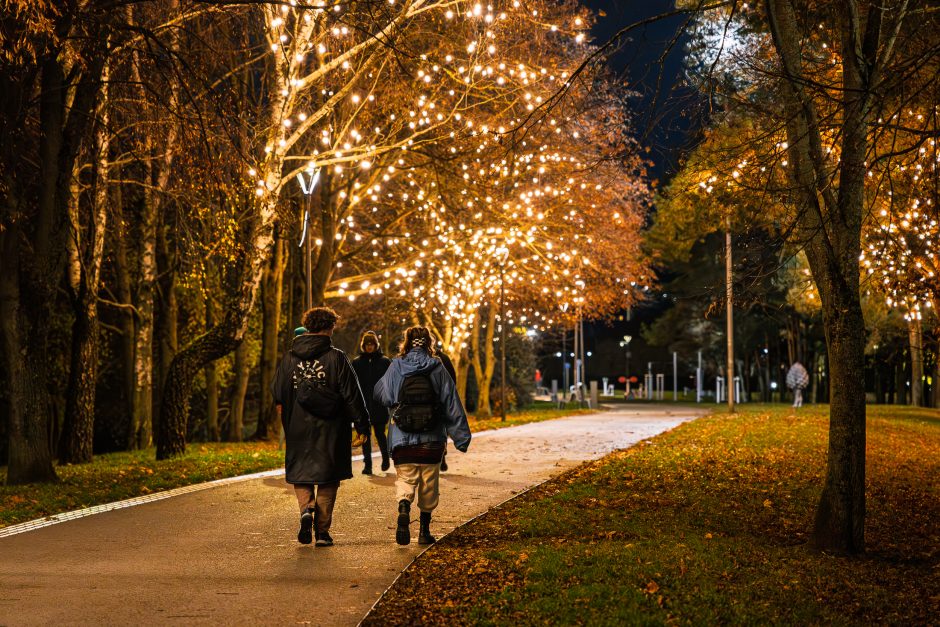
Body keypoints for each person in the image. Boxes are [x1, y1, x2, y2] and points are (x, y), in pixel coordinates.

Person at [271, 306, 369, 546]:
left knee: (301, 474)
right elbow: (351, 394)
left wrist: (287, 420)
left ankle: (306, 509)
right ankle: (322, 533)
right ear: (329, 327)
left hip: (298, 427)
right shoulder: (336, 357)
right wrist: (362, 425)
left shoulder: (289, 358)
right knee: (328, 477)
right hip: (331, 428)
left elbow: (278, 393)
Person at [375, 326, 471, 546]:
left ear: (406, 342)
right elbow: (451, 402)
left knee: (406, 479)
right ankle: (424, 531)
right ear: (429, 342)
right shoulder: (437, 366)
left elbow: (382, 394)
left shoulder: (396, 365)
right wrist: (461, 438)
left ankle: (403, 506)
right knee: (429, 484)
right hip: (432, 438)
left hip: (402, 436)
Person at [351, 331, 392, 474]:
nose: (369, 347)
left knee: (380, 434)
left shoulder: (385, 361)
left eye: (372, 344)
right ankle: (367, 464)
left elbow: (391, 382)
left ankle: (385, 458)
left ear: (376, 345)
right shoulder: (357, 362)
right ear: (363, 345)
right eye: (367, 344)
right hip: (363, 405)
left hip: (379, 404)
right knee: (365, 435)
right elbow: (352, 384)